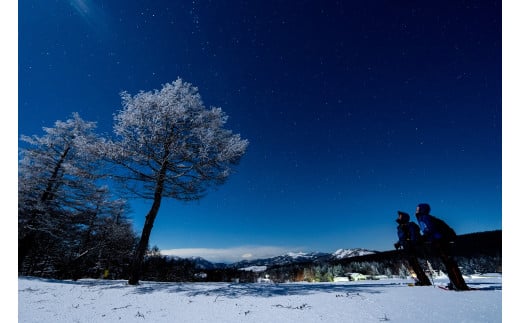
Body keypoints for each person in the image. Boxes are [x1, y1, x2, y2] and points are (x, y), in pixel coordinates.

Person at [415, 203, 470, 290]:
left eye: (418, 208)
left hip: (441, 241)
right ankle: (454, 282)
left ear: (422, 209)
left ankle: (459, 284)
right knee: (448, 263)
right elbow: (429, 231)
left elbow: (431, 229)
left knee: (449, 263)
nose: (416, 210)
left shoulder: (425, 217)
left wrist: (423, 238)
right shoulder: (422, 218)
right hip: (438, 242)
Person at [394, 211, 432, 286]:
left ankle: (424, 281)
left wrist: (411, 243)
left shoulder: (410, 225)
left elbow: (414, 236)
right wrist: (398, 243)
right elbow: (403, 238)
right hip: (407, 248)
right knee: (413, 265)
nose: (398, 217)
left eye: (400, 216)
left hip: (412, 248)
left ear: (404, 218)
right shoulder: (401, 227)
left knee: (416, 265)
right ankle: (422, 280)